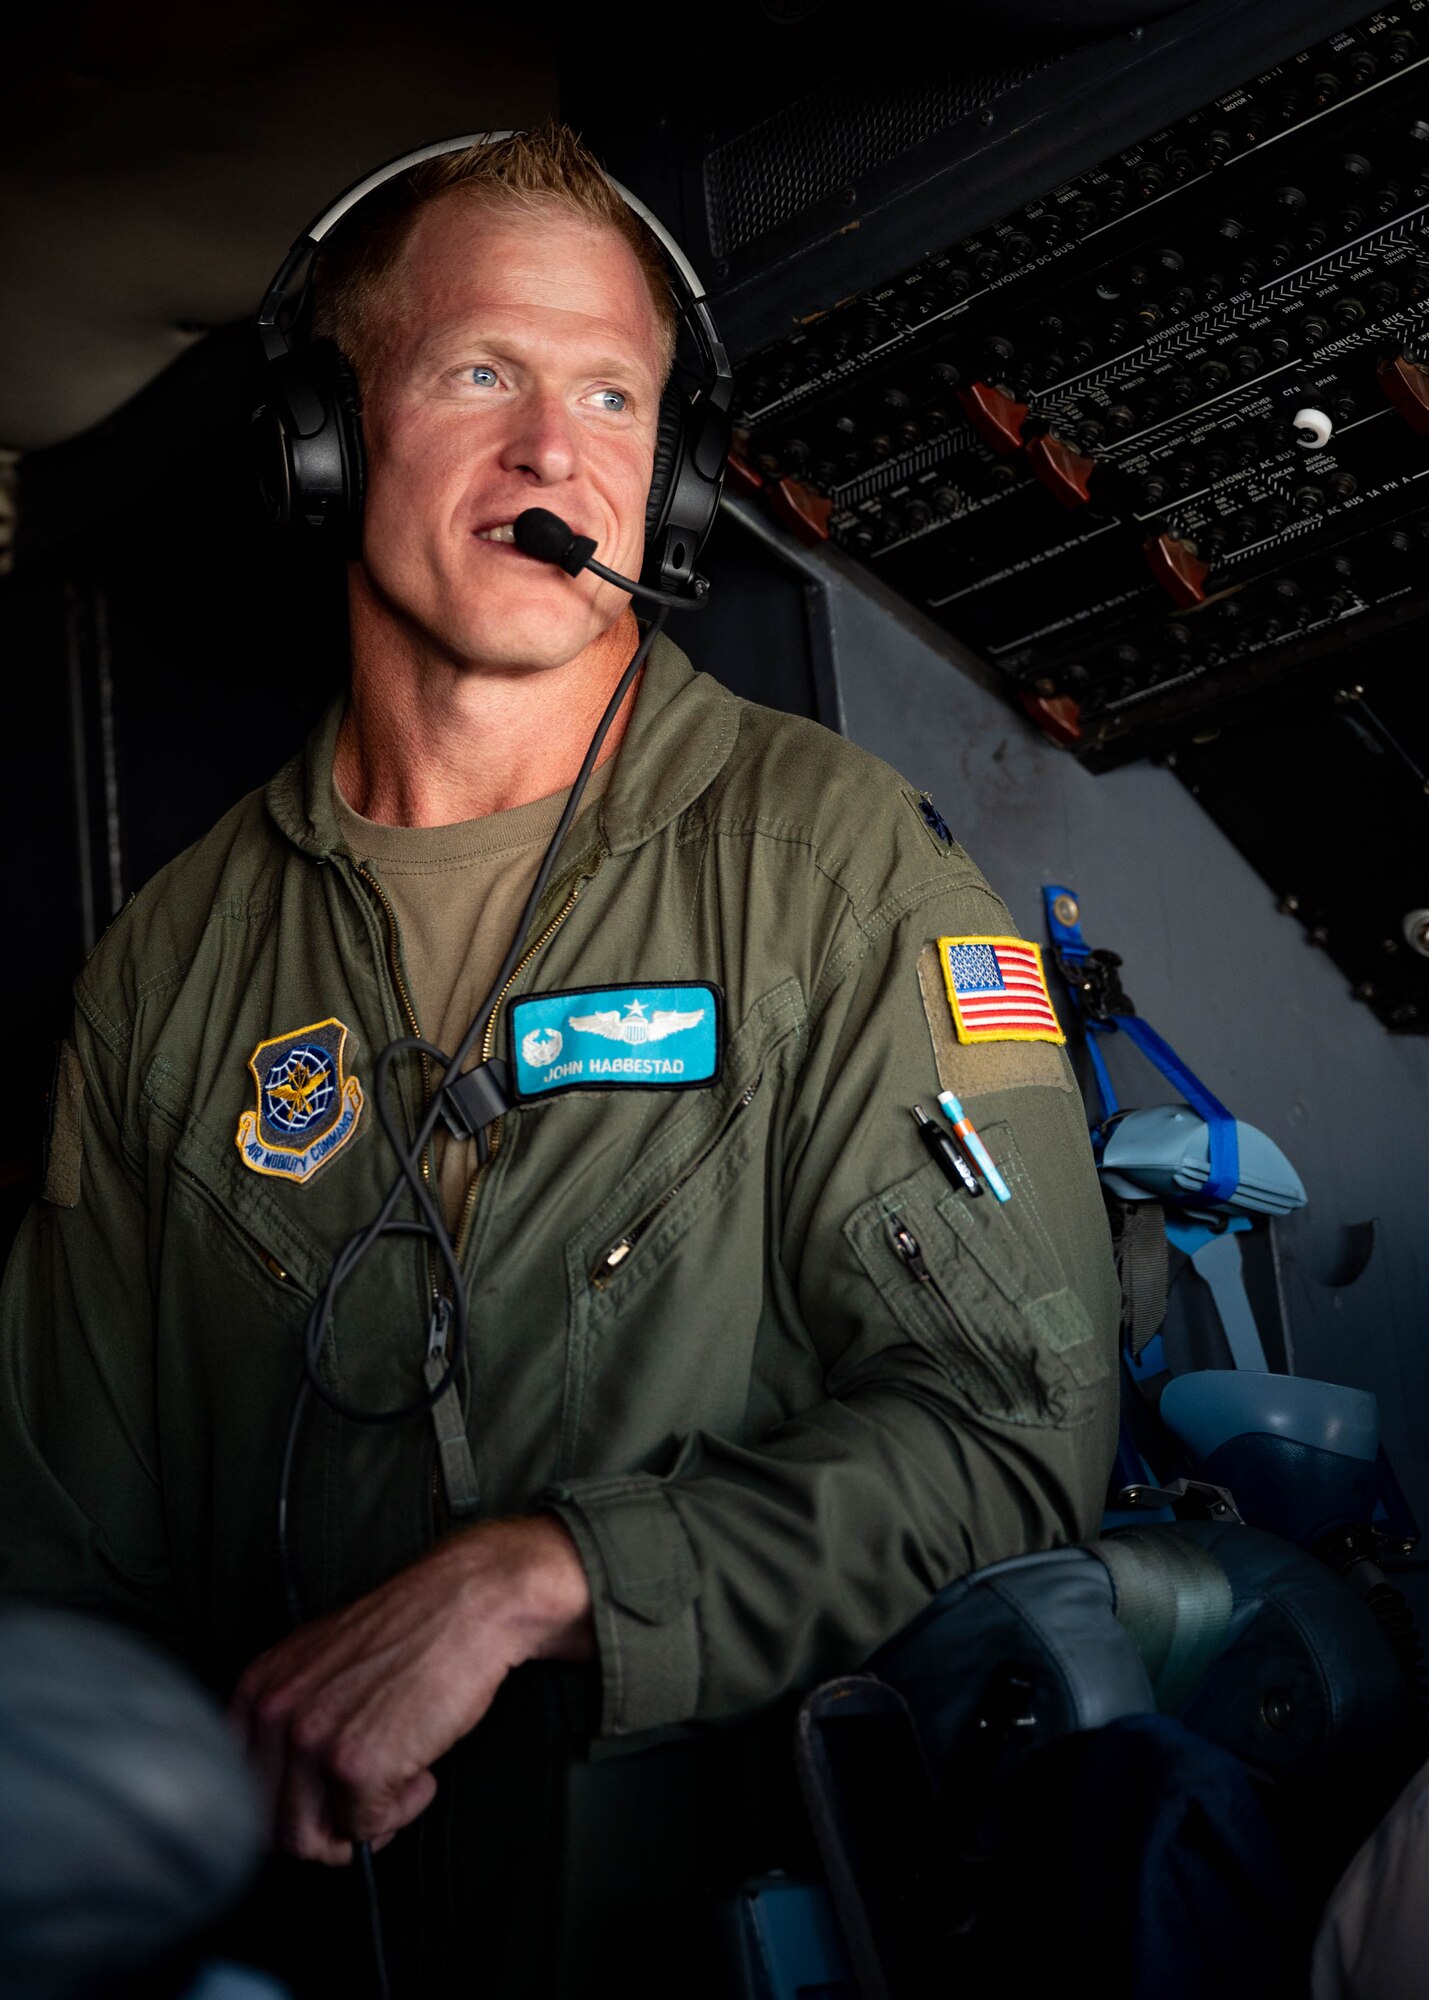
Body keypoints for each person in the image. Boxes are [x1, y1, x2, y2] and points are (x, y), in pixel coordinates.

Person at [0, 124, 1120, 1994]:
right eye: (480, 373)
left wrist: (548, 1575)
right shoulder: (169, 974)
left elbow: (1008, 1439)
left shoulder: (838, 869)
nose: (553, 454)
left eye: (612, 393)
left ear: (668, 489)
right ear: (327, 437)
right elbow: (58, 1580)